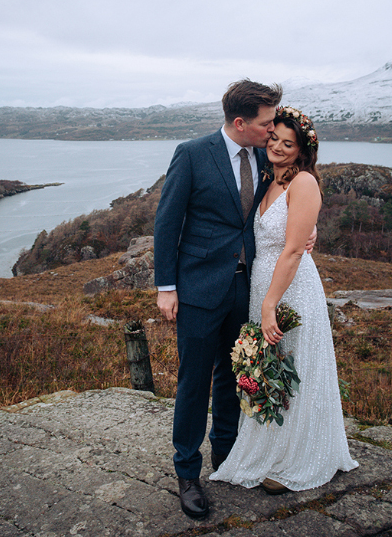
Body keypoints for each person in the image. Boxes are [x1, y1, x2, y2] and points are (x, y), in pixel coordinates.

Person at [209, 105, 358, 493]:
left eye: (287, 143)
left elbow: (292, 251)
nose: (275, 145)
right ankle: (270, 446)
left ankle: (295, 456)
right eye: (273, 137)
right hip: (264, 285)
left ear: (301, 150)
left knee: (296, 367)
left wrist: (269, 304)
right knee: (270, 368)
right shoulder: (265, 176)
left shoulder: (303, 182)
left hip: (290, 289)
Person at [154, 79, 282, 519]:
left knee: (235, 376)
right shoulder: (192, 154)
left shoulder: (267, 155)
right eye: (266, 122)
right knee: (194, 382)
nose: (273, 128)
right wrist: (166, 287)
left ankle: (225, 459)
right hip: (198, 288)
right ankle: (187, 473)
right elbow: (167, 223)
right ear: (241, 122)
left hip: (247, 289)